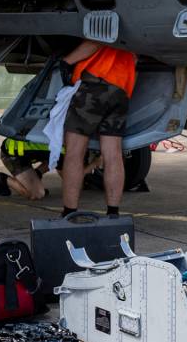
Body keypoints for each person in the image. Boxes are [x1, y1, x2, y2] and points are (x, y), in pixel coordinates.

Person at [57, 40, 136, 218]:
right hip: (121, 89)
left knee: (75, 152)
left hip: (94, 84)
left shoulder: (106, 16)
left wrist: (67, 61)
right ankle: (113, 213)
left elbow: (98, 39)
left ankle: (69, 212)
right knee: (113, 154)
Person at [0, 138, 66, 200]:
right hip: (14, 153)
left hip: (30, 149)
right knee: (37, 194)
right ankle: (2, 179)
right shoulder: (63, 151)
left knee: (55, 160)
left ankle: (36, 175)